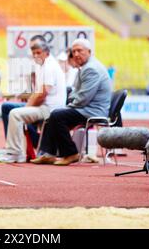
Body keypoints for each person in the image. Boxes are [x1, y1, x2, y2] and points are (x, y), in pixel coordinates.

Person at [31, 38, 111, 166]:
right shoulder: (85, 67)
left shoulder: (92, 69)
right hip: (87, 107)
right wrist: (70, 104)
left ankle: (70, 153)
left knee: (57, 115)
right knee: (54, 114)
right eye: (74, 51)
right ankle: (48, 154)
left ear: (89, 51)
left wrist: (69, 106)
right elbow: (75, 93)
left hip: (93, 110)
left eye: (80, 50)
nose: (76, 54)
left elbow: (83, 97)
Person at [0, 36, 66, 163]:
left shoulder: (50, 66)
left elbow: (42, 94)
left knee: (15, 113)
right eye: (34, 53)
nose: (36, 56)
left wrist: (27, 106)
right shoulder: (42, 65)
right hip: (44, 106)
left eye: (38, 53)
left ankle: (15, 152)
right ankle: (15, 148)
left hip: (50, 109)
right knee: (9, 108)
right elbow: (37, 93)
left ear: (46, 52)